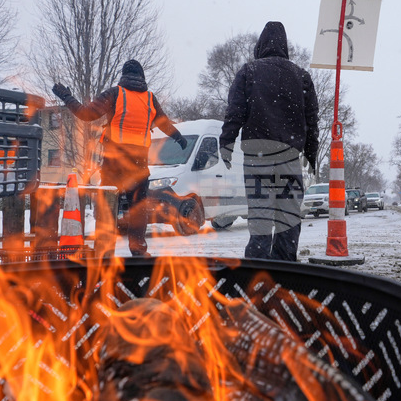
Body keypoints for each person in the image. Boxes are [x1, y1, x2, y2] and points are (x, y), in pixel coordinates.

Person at [52, 59, 187, 257]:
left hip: (114, 161)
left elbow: (87, 114)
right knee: (138, 207)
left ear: (124, 75)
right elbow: (164, 123)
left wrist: (67, 96)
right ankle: (138, 250)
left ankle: (105, 249)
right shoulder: (150, 99)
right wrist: (178, 137)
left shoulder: (115, 93)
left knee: (108, 205)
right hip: (139, 163)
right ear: (142, 77)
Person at [220, 21, 318, 261]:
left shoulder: (249, 72)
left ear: (260, 45)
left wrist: (227, 143)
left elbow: (235, 111)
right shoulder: (301, 76)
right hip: (288, 155)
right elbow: (312, 120)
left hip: (257, 154)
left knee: (261, 213)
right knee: (288, 213)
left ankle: (258, 268)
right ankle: (285, 266)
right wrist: (310, 155)